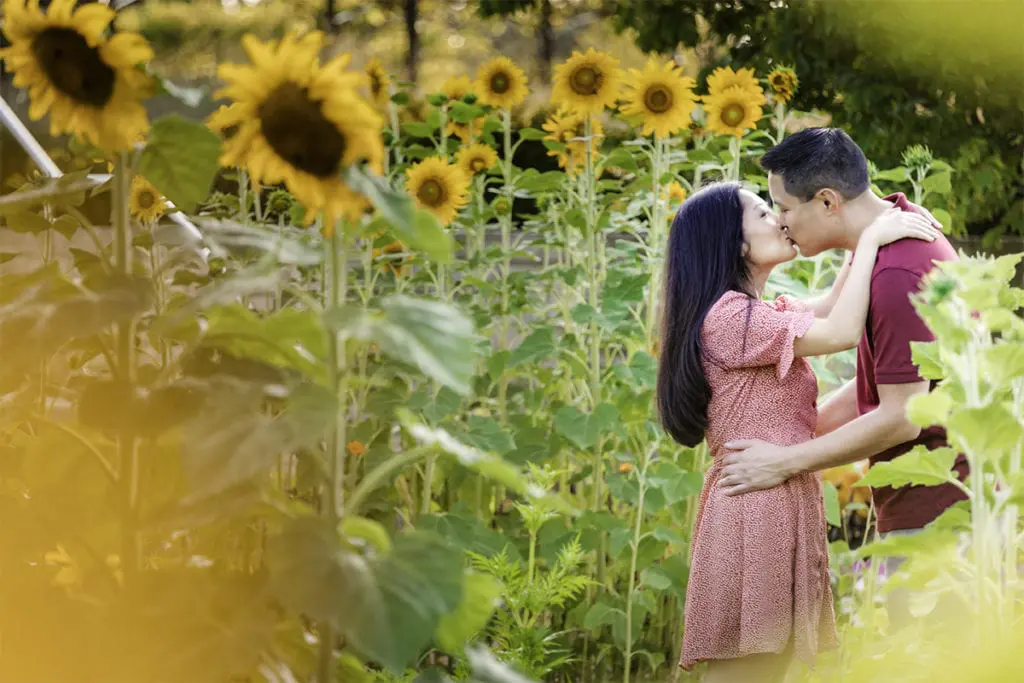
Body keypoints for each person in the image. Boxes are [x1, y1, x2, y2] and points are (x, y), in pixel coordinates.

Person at [656, 179, 940, 682]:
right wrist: (873, 241)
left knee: (770, 666)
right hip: (753, 511)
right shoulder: (728, 318)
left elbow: (832, 304)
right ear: (734, 243)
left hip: (775, 497)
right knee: (747, 669)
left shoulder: (760, 313)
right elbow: (842, 331)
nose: (781, 220)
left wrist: (865, 228)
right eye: (764, 214)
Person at [714, 128, 968, 626]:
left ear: (827, 201)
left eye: (783, 208)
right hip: (933, 506)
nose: (782, 224)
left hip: (938, 515)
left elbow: (901, 416)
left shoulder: (897, 273)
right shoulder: (891, 244)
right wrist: (790, 435)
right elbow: (884, 383)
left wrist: (786, 461)